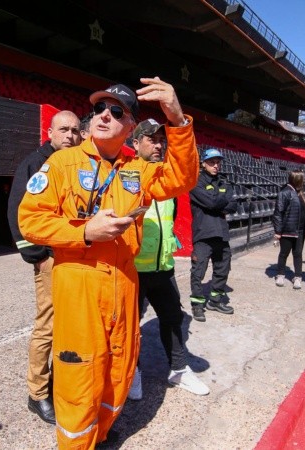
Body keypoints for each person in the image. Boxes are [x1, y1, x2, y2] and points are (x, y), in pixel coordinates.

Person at [18, 78, 199, 449]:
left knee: (119, 363)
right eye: (100, 108)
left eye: (117, 111)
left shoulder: (137, 168)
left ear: (130, 127)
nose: (105, 115)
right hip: (79, 278)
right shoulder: (62, 162)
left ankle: (99, 430)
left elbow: (183, 177)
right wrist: (86, 232)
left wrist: (178, 120)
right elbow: (30, 220)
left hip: (124, 278)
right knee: (80, 369)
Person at [7, 110, 81, 425]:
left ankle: (60, 382)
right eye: (63, 129)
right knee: (48, 326)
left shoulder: (76, 163)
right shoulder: (37, 164)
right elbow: (17, 212)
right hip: (51, 258)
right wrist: (36, 253)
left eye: (76, 131)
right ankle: (37, 394)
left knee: (71, 326)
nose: (70, 136)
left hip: (75, 257)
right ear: (50, 132)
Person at [129, 118, 209, 399]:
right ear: (135, 143)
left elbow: (170, 219)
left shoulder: (169, 176)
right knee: (130, 327)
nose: (159, 144)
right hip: (134, 268)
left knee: (173, 319)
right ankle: (132, 374)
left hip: (163, 266)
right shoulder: (127, 174)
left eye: (162, 139)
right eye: (151, 139)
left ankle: (178, 369)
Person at [188, 148, 239, 322]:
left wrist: (218, 200)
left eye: (218, 162)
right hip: (203, 234)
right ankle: (197, 305)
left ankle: (215, 301)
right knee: (198, 271)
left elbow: (233, 204)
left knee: (223, 269)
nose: (216, 165)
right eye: (212, 162)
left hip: (221, 233)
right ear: (203, 163)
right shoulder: (195, 182)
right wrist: (221, 199)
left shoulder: (224, 181)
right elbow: (210, 202)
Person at [271, 170, 305, 289]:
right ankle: (280, 274)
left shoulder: (300, 193)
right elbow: (278, 213)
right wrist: (278, 231)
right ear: (298, 180)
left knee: (298, 254)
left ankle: (298, 277)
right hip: (288, 229)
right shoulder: (285, 193)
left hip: (300, 230)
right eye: (303, 179)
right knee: (284, 253)